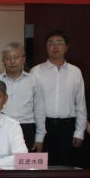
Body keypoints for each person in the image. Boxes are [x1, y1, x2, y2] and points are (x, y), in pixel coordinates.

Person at [30, 30, 86, 166]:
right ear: (46, 48)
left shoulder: (75, 72)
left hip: (68, 127)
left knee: (66, 168)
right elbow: (31, 104)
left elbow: (80, 104)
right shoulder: (35, 71)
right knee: (42, 168)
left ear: (66, 48)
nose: (55, 46)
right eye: (51, 43)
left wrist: (79, 132)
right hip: (43, 126)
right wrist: (38, 134)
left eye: (59, 43)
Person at [0, 42, 46, 151]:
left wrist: (39, 137)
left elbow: (39, 109)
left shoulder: (33, 81)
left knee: (24, 160)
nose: (12, 61)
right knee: (1, 160)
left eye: (16, 57)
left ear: (23, 59)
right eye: (8, 58)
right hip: (0, 127)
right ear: (3, 61)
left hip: (26, 128)